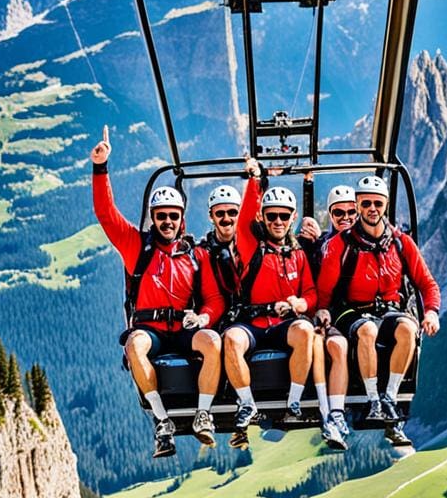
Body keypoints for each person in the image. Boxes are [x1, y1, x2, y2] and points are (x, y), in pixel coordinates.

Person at [91, 126, 224, 458]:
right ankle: (162, 420)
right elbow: (107, 216)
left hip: (183, 329)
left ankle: (203, 413)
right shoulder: (138, 248)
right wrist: (100, 168)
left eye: (173, 217)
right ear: (153, 219)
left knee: (213, 342)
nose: (167, 222)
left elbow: (214, 299)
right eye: (161, 217)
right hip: (151, 330)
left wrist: (204, 316)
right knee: (135, 344)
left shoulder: (197, 255)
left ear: (182, 220)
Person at [315, 175, 441, 447]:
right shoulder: (341, 244)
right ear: (358, 204)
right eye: (367, 203)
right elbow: (324, 291)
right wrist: (323, 310)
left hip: (388, 310)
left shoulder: (400, 243)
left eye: (378, 203)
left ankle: (389, 397)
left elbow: (426, 283)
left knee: (408, 328)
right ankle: (373, 399)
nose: (372, 209)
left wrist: (431, 311)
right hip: (351, 311)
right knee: (367, 330)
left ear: (385, 205)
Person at [223, 158, 317, 450]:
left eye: (284, 216)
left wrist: (299, 303)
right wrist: (255, 180)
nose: (277, 221)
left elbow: (312, 293)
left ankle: (294, 401)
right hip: (254, 323)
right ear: (263, 218)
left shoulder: (298, 253)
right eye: (272, 216)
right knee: (231, 339)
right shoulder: (252, 246)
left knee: (304, 331)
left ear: (293, 218)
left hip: (283, 325)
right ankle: (247, 404)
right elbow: (246, 216)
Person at [297, 183, 359, 450]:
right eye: (338, 214)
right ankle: (330, 414)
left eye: (350, 213)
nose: (345, 218)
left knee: (336, 345)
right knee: (325, 344)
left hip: (343, 312)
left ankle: (334, 413)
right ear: (331, 216)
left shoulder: (371, 240)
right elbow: (309, 269)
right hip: (324, 312)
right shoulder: (322, 244)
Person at [197, 184, 243, 321]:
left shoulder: (254, 248)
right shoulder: (201, 253)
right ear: (211, 216)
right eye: (220, 213)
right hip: (214, 318)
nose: (226, 218)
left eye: (232, 213)